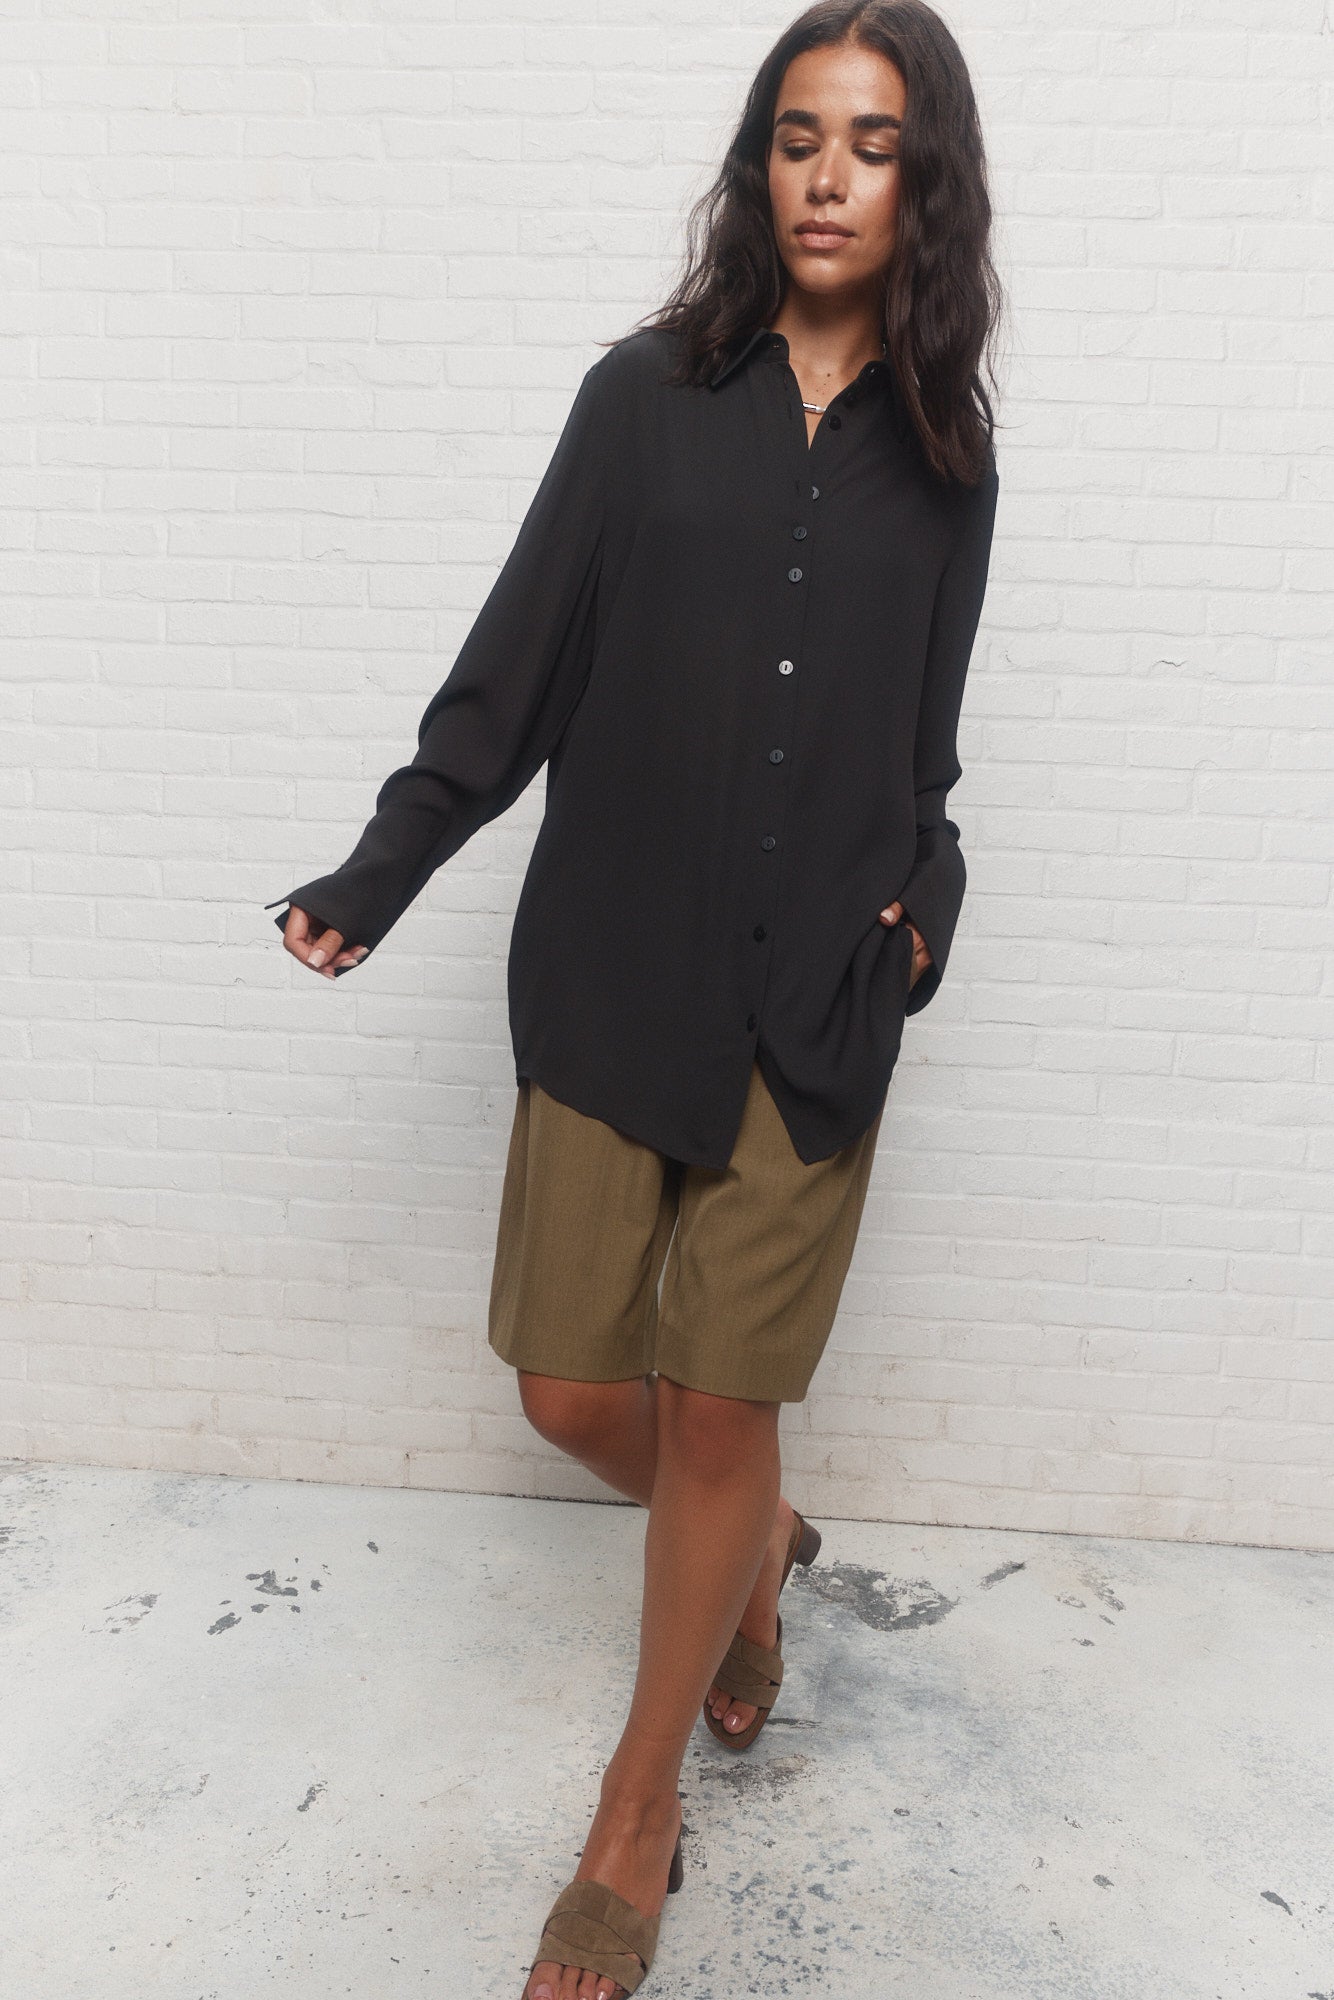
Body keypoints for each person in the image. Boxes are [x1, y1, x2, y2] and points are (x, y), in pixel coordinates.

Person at [265, 2, 1002, 1992]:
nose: (829, 176)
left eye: (873, 144)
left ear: (925, 181)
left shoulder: (949, 459)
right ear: (758, 166)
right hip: (613, 965)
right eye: (797, 136)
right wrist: (385, 865)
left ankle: (633, 1811)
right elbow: (513, 668)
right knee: (575, 1394)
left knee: (713, 1405)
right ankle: (754, 1549)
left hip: (817, 1002)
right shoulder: (638, 400)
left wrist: (919, 921)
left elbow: (926, 764)